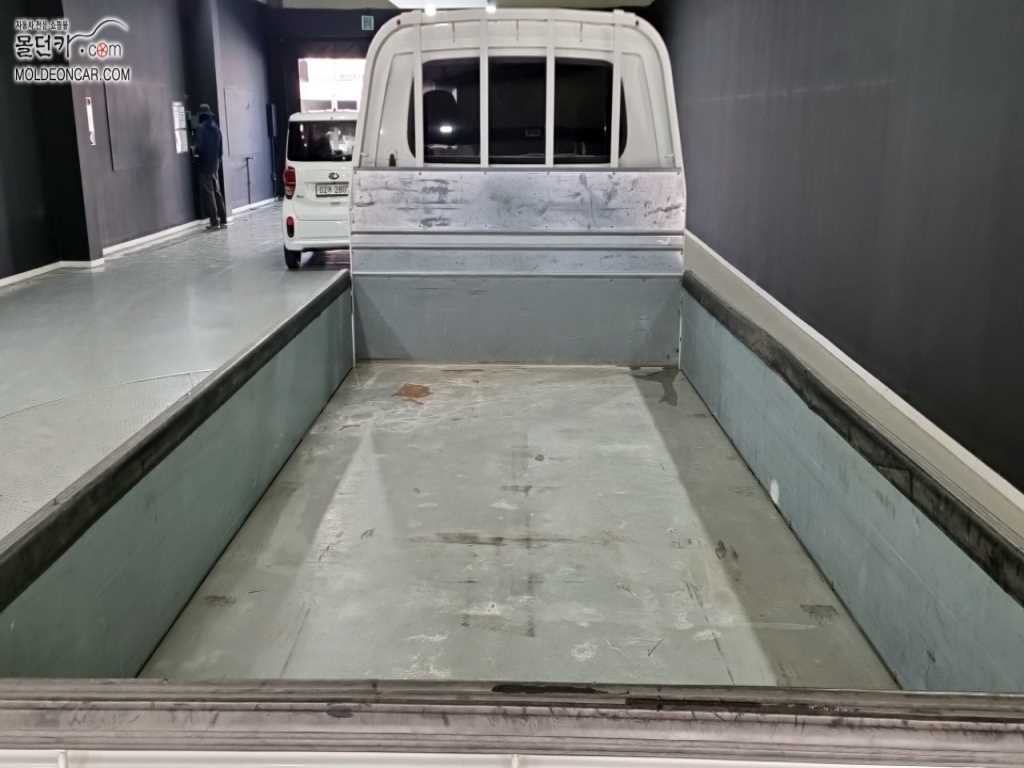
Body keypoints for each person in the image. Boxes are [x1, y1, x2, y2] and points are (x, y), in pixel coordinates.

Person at [195, 103, 227, 230]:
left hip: (205, 164)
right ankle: (223, 220)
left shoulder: (200, 129)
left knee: (209, 193)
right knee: (217, 191)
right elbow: (221, 149)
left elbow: (199, 147)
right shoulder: (216, 128)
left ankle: (214, 222)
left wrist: (195, 151)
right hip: (215, 163)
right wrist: (217, 160)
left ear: (201, 115)